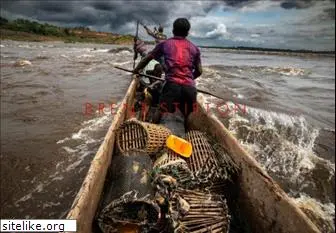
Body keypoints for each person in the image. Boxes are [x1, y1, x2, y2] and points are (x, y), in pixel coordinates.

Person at [134, 18, 202, 121]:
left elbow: (147, 58)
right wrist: (190, 79)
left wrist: (136, 70)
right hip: (190, 90)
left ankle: (155, 124)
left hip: (172, 87)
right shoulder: (195, 48)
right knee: (186, 118)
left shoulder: (165, 44)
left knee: (160, 114)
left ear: (173, 31)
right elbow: (199, 71)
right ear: (188, 33)